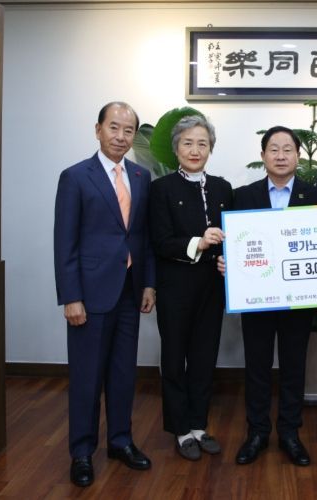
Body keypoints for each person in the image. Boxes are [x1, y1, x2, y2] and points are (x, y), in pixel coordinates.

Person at [54, 101, 156, 487]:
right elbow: (64, 241)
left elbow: (142, 237)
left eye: (128, 130)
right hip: (90, 294)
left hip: (129, 291)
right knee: (86, 377)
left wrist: (148, 283)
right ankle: (82, 452)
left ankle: (120, 441)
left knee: (122, 374)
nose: (121, 136)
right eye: (114, 127)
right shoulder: (75, 177)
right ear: (98, 129)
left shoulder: (141, 176)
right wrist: (71, 296)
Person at [222, 126, 317, 467]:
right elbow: (234, 242)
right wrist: (227, 261)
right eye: (273, 149)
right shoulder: (243, 196)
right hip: (257, 298)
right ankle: (256, 433)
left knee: (294, 366)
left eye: (287, 149)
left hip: (298, 300)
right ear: (263, 155)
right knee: (257, 366)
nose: (280, 156)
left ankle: (290, 433)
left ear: (297, 155)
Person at [149, 115, 233, 461]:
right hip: (175, 287)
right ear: (176, 149)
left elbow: (236, 237)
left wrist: (231, 260)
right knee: (174, 359)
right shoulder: (161, 189)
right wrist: (198, 242)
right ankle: (180, 429)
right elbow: (160, 241)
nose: (195, 150)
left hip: (212, 287)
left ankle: (199, 425)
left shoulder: (223, 188)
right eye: (188, 143)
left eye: (202, 143)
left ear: (210, 148)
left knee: (204, 357)